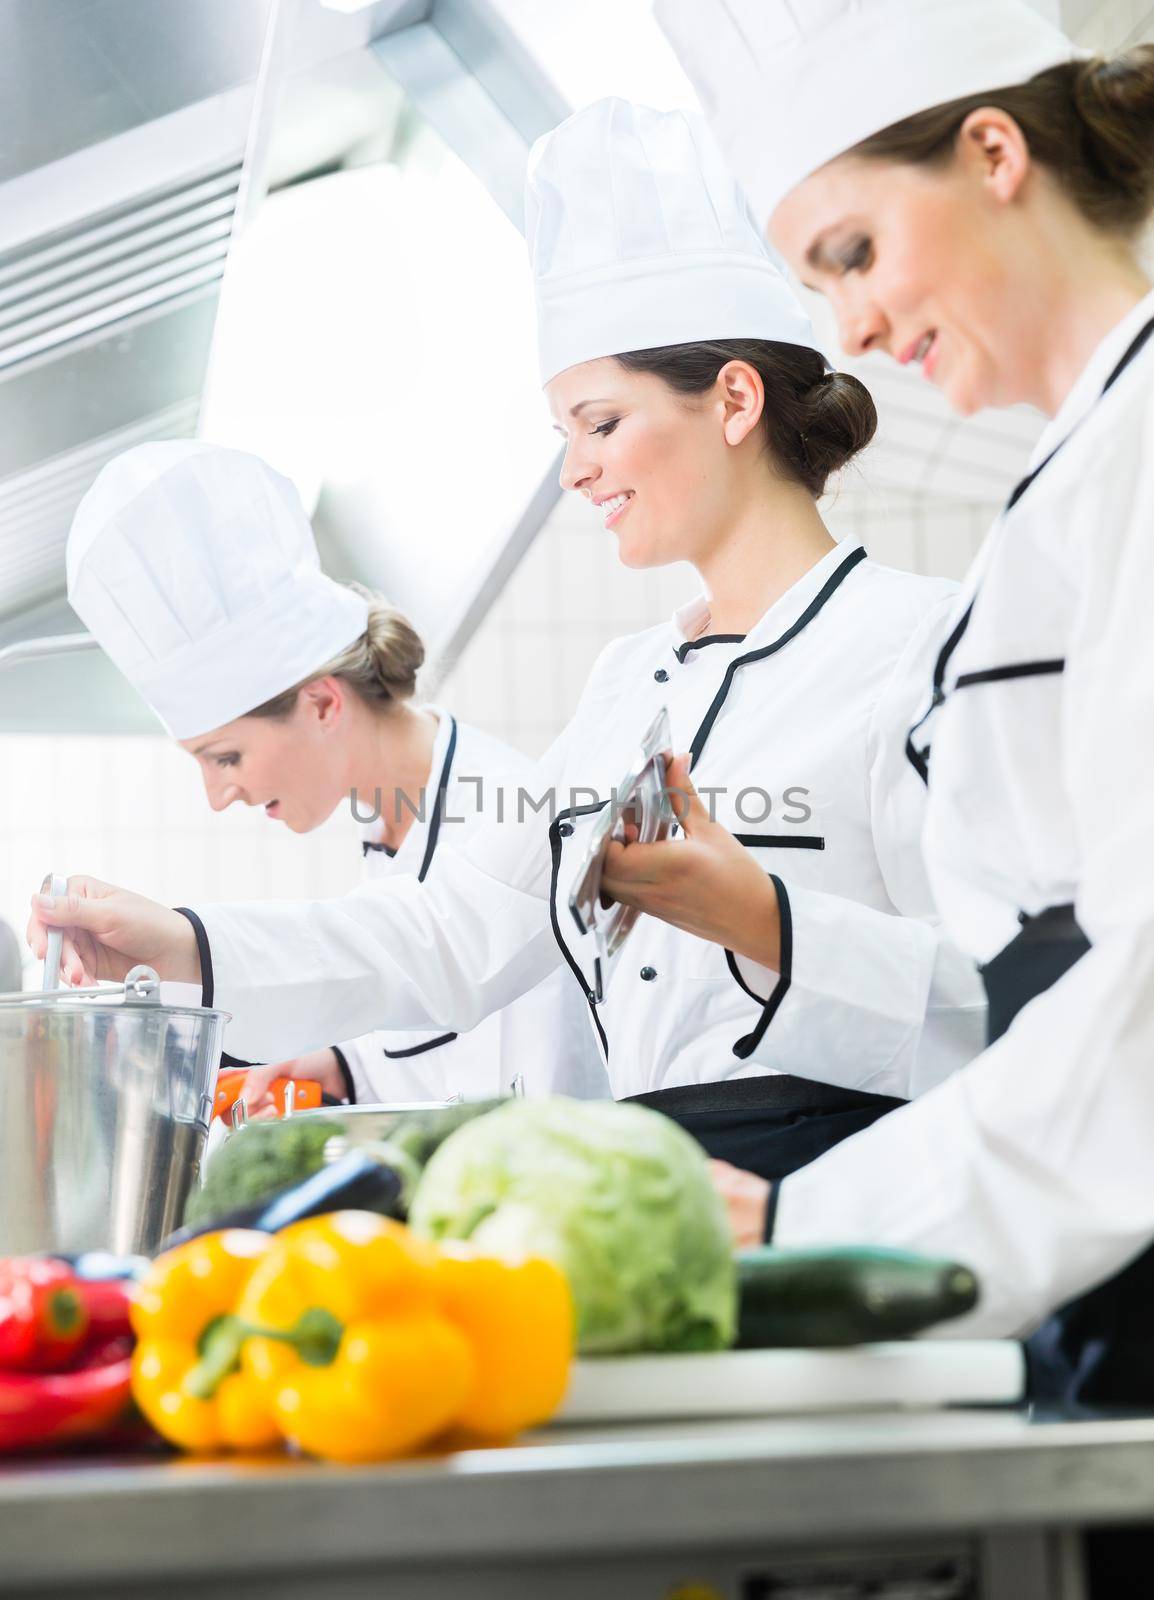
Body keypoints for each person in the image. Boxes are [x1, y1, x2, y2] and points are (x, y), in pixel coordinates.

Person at [28, 99, 983, 1182]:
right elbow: (448, 934)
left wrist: (761, 918)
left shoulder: (921, 646)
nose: (574, 469)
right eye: (563, 434)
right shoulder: (628, 689)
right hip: (671, 1199)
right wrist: (186, 941)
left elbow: (1002, 1003)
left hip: (873, 1202)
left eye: (601, 422)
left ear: (731, 399)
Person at [645, 0, 1154, 1416]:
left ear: (994, 151)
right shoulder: (1072, 475)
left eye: (851, 254)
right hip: (1084, 1238)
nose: (852, 325)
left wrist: (826, 1227)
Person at [64, 441, 605, 1106]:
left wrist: (185, 947)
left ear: (323, 704)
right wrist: (346, 1067)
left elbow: (531, 1087)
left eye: (226, 757)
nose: (218, 795)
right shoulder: (390, 822)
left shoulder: (506, 814)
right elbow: (428, 1012)